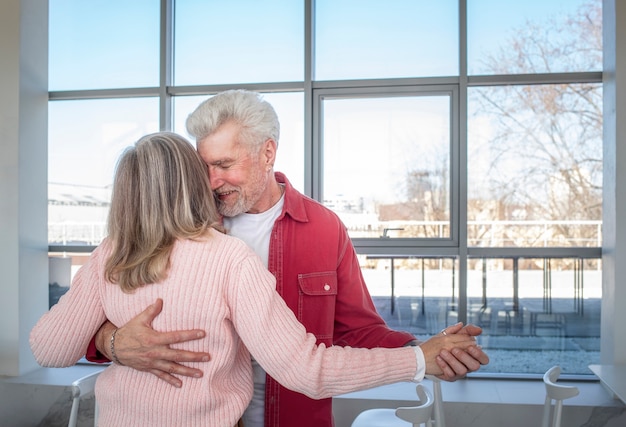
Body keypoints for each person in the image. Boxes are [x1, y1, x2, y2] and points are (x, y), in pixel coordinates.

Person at [86, 90, 490, 427]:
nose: (211, 182)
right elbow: (103, 311)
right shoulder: (179, 228)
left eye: (225, 165)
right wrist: (113, 341)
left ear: (267, 153)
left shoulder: (324, 227)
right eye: (203, 166)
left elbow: (358, 330)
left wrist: (426, 351)